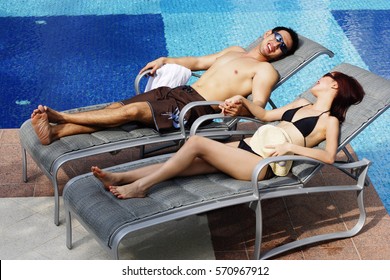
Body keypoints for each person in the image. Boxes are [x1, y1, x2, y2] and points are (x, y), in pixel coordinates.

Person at [91, 71, 365, 199]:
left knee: (197, 142)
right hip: (248, 146)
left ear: (336, 86)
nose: (319, 79)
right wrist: (243, 102)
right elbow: (266, 116)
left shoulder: (329, 121)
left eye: (326, 78)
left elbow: (329, 156)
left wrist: (293, 150)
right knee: (182, 163)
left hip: (262, 164)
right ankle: (121, 177)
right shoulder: (301, 104)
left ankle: (141, 186)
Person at [31, 26, 299, 145]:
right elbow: (196, 61)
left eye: (282, 46)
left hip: (195, 108)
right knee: (117, 108)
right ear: (267, 34)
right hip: (174, 94)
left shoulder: (266, 71)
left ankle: (60, 116)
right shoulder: (234, 50)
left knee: (132, 113)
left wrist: (237, 108)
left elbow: (260, 106)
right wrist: (166, 59)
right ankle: (56, 134)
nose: (275, 44)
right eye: (276, 37)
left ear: (281, 54)